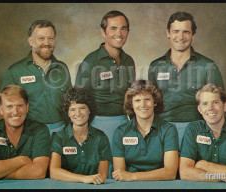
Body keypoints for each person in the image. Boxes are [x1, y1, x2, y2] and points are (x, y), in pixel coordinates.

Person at [148, 12, 224, 145]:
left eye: (186, 32)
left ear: (193, 35)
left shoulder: (207, 65)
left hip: (197, 130)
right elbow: (150, 102)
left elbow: (219, 103)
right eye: (176, 31)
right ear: (168, 33)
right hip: (163, 130)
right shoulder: (155, 66)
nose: (180, 37)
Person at [0, 19, 72, 136]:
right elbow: (4, 109)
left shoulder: (62, 68)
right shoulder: (15, 71)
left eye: (51, 38)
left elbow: (71, 103)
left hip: (62, 132)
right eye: (41, 38)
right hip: (30, 134)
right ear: (31, 41)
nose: (47, 43)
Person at [75, 10, 135, 143]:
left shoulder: (128, 61)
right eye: (113, 28)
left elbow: (131, 95)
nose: (119, 34)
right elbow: (78, 99)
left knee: (123, 163)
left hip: (125, 122)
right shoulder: (90, 61)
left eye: (123, 29)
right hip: (98, 123)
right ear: (103, 32)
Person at [179, 84, 226, 185]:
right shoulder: (193, 129)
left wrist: (203, 165)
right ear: (199, 109)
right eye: (205, 104)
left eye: (215, 102)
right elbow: (185, 173)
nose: (210, 108)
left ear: (225, 106)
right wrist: (224, 177)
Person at [112, 80, 179, 181]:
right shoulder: (121, 132)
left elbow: (170, 173)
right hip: (130, 186)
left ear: (155, 102)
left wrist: (133, 176)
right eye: (137, 100)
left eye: (147, 99)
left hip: (160, 184)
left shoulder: (168, 130)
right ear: (131, 104)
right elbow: (119, 173)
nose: (143, 105)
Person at [0, 85, 51, 181]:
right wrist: (20, 160)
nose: (15, 112)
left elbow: (38, 172)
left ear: (27, 107)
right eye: (9, 106)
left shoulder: (39, 130)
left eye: (20, 106)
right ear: (0, 109)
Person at [49, 87, 112, 184]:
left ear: (89, 110)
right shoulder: (59, 137)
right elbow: (54, 172)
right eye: (72, 109)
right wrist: (83, 179)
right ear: (68, 113)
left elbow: (102, 175)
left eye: (82, 108)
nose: (77, 113)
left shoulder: (101, 137)